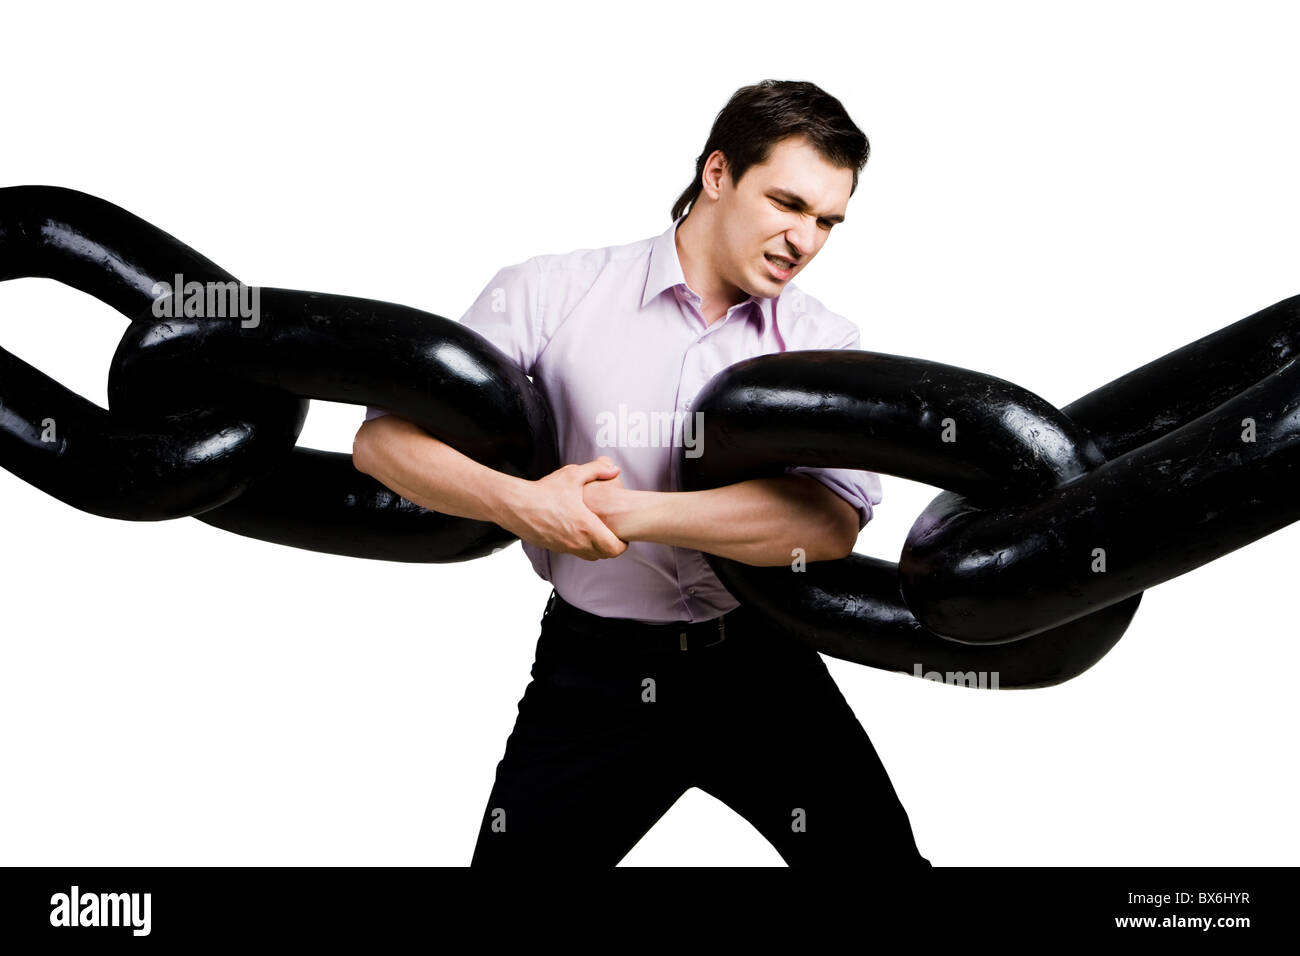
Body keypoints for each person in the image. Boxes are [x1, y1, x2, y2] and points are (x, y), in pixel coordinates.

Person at [353, 79, 931, 867]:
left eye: (828, 220)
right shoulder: (552, 292)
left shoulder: (822, 341)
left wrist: (626, 515)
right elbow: (384, 442)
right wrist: (523, 504)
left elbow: (827, 525)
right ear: (718, 174)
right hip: (595, 674)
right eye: (788, 204)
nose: (806, 239)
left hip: (760, 668)